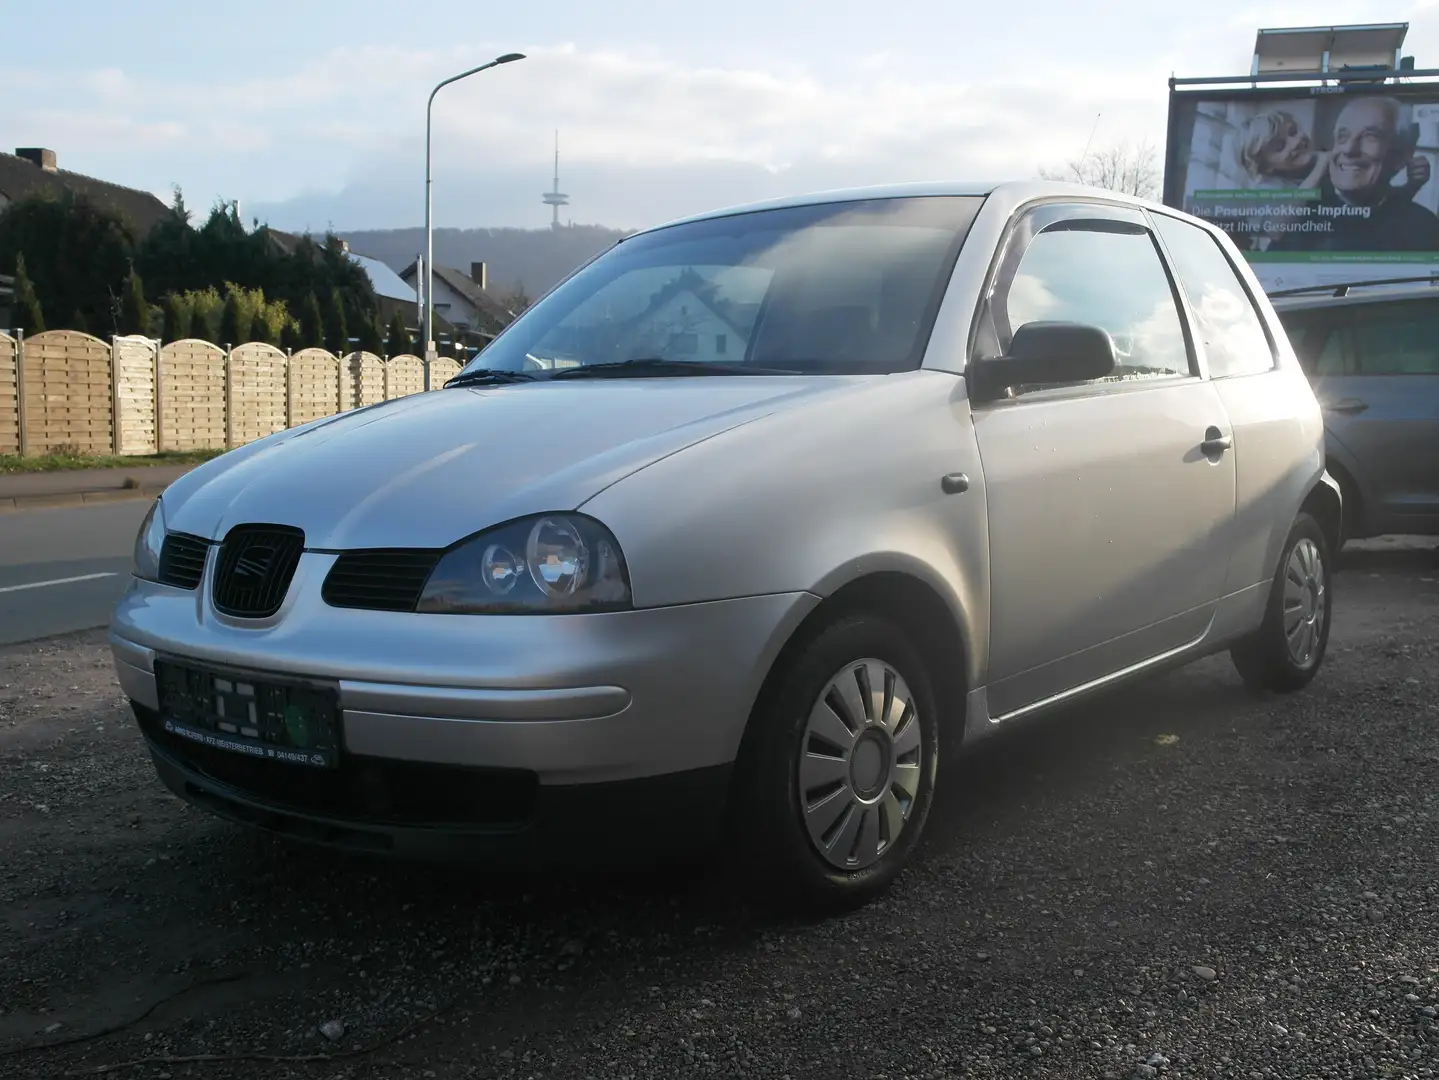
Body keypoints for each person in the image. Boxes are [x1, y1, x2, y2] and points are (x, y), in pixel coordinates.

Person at [1269, 96, 1439, 253]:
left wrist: (1412, 186)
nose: (1349, 149)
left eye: (1370, 137)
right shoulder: (1299, 218)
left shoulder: (1424, 227)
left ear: (1401, 156)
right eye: (1343, 136)